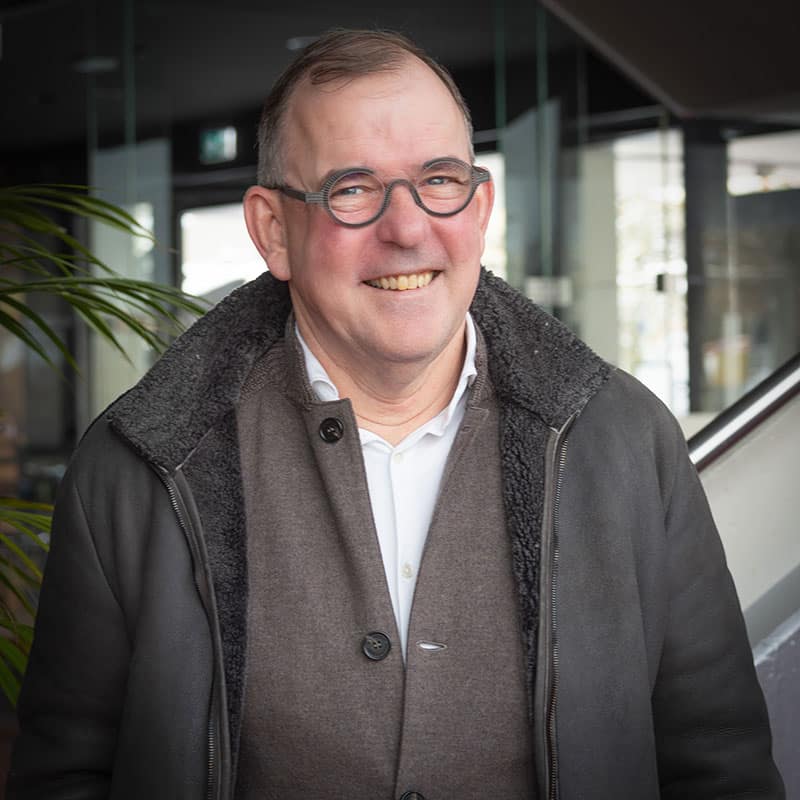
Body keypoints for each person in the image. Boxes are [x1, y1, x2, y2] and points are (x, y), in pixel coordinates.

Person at [8, 28, 783, 800]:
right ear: (274, 232)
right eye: (351, 188)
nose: (408, 229)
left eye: (439, 180)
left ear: (481, 208)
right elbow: (65, 776)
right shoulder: (137, 469)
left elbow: (718, 764)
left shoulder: (628, 441)